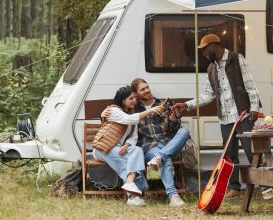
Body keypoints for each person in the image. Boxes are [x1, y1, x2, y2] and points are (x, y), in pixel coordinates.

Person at [173, 33, 261, 199]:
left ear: (214, 46)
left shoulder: (236, 58)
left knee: (252, 150)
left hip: (242, 114)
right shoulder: (211, 68)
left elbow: (250, 85)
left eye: (205, 50)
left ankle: (266, 185)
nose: (204, 54)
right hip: (225, 117)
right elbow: (208, 95)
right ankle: (235, 187)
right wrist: (187, 105)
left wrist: (254, 108)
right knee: (229, 154)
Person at [93, 86, 164, 206]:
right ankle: (132, 197)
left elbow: (134, 136)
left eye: (134, 98)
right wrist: (151, 110)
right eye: (131, 98)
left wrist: (127, 144)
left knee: (136, 150)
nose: (134, 100)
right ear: (123, 101)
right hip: (103, 149)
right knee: (127, 163)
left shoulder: (132, 114)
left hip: (118, 148)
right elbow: (128, 119)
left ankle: (130, 184)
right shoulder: (113, 110)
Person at [132, 78, 190, 207]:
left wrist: (173, 120)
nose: (147, 90)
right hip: (149, 147)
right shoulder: (134, 109)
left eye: (147, 87)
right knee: (165, 159)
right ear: (136, 93)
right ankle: (173, 196)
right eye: (143, 89)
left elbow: (173, 130)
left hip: (167, 143)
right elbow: (119, 116)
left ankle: (160, 156)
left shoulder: (163, 104)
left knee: (184, 131)